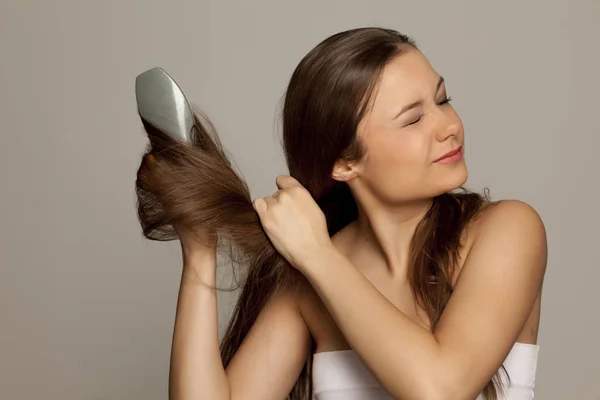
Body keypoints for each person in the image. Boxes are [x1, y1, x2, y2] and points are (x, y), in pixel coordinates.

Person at [135, 27, 547, 400]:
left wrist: (316, 254)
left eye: (442, 99)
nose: (448, 126)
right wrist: (200, 248)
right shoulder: (310, 278)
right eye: (414, 119)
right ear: (345, 162)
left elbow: (439, 389)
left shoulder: (506, 230)